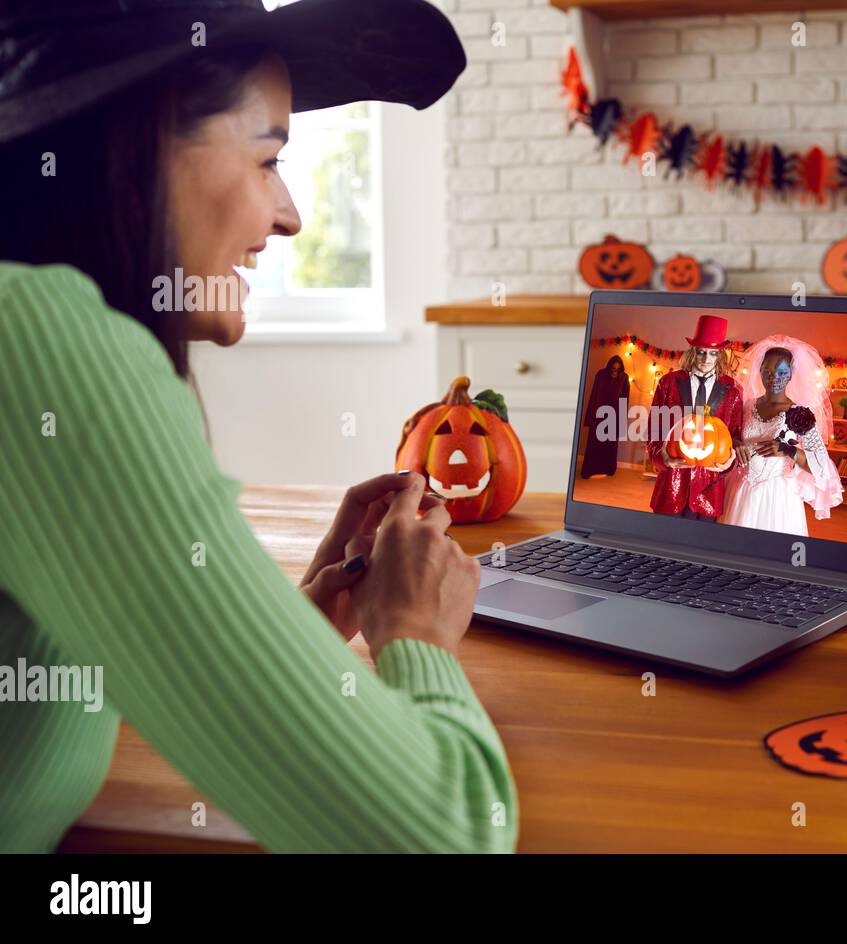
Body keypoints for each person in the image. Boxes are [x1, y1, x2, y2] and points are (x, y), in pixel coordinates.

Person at [0, 0, 515, 852]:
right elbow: (438, 835)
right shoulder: (45, 345)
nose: (290, 217)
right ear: (142, 137)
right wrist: (418, 636)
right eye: (269, 157)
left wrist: (282, 634)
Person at [721, 336, 843, 535]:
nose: (773, 378)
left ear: (791, 375)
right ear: (759, 371)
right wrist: (735, 442)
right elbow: (727, 436)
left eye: (781, 372)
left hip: (778, 498)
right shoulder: (746, 405)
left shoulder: (800, 414)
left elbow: (820, 466)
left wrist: (787, 449)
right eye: (767, 371)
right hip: (742, 491)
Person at [647, 315, 745, 521]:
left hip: (708, 489)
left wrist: (729, 463)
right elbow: (654, 429)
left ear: (720, 355)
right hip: (671, 484)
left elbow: (735, 436)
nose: (706, 359)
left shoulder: (733, 390)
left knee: (696, 547)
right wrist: (661, 457)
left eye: (712, 353)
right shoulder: (668, 383)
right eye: (701, 352)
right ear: (693, 352)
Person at [580, 355, 629, 477]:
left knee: (610, 444)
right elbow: (594, 394)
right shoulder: (601, 374)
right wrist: (591, 417)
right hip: (599, 414)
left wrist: (621, 422)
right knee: (594, 443)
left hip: (614, 415)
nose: (615, 371)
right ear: (609, 367)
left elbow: (624, 400)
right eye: (613, 368)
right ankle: (590, 469)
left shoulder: (624, 378)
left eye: (618, 369)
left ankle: (607, 469)